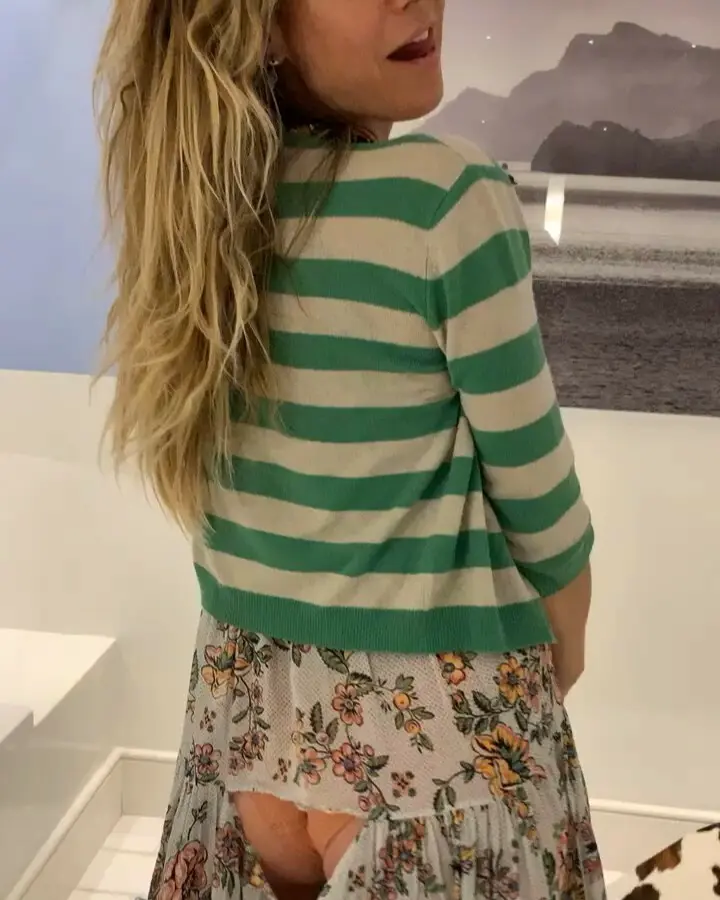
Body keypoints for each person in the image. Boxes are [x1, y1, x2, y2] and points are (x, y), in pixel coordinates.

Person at [94, 0, 605, 897]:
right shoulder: (445, 195)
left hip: (241, 731)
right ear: (258, 22)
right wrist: (561, 649)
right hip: (436, 748)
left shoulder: (199, 211)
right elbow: (539, 495)